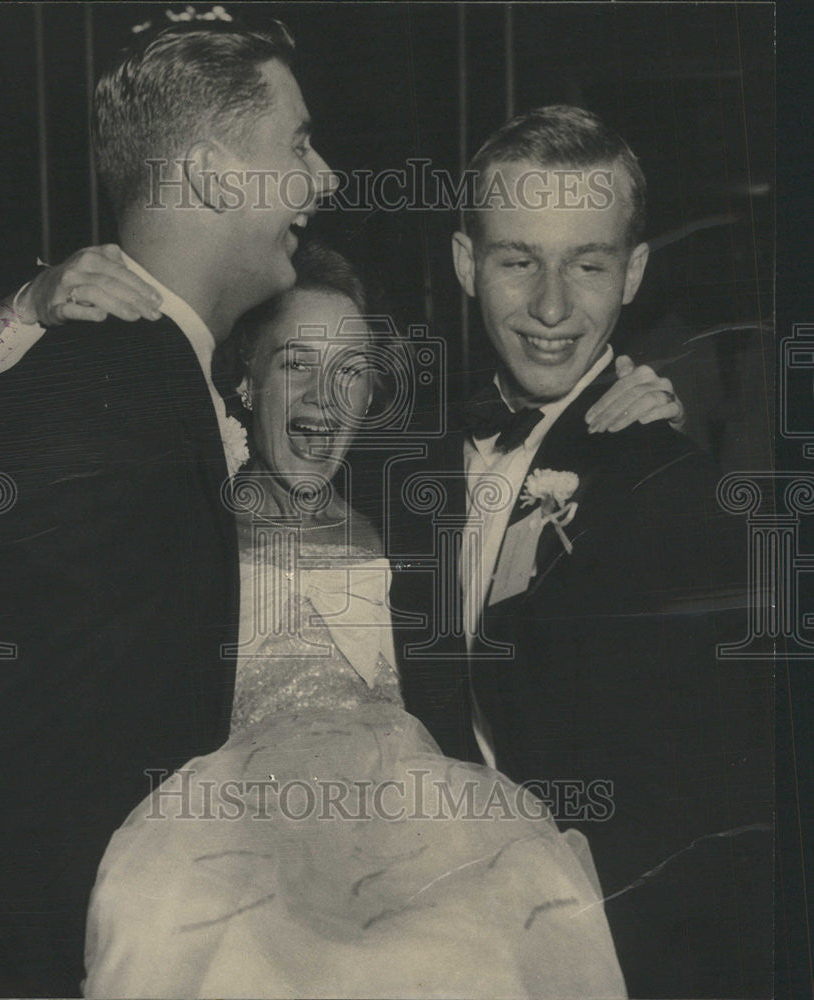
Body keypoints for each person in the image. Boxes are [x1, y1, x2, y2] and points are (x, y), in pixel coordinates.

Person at [81, 241, 629, 998]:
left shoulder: (403, 521)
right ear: (247, 377)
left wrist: (636, 415)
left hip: (413, 827)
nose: (322, 398)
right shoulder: (189, 531)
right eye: (297, 364)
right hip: (235, 833)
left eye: (350, 373)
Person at [0, 16, 336, 996]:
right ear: (208, 174)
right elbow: (33, 799)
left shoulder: (138, 378)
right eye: (299, 145)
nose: (322, 181)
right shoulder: (109, 401)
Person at [391, 106, 771, 997]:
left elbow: (688, 834)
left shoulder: (670, 489)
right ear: (464, 263)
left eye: (587, 264)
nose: (552, 307)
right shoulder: (412, 455)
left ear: (633, 272)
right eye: (518, 260)